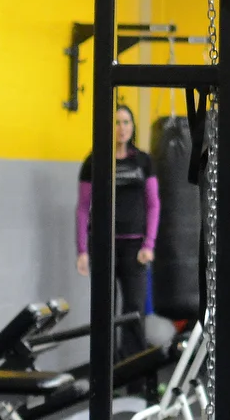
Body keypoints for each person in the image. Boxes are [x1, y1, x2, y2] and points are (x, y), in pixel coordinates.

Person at [76, 102, 160, 339]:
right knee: (104, 310)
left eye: (126, 122)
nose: (121, 128)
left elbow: (153, 204)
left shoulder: (143, 161)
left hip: (135, 246)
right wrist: (82, 249)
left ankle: (131, 372)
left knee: (134, 308)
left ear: (132, 127)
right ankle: (108, 370)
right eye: (116, 122)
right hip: (103, 245)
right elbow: (83, 208)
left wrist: (149, 244)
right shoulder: (94, 161)